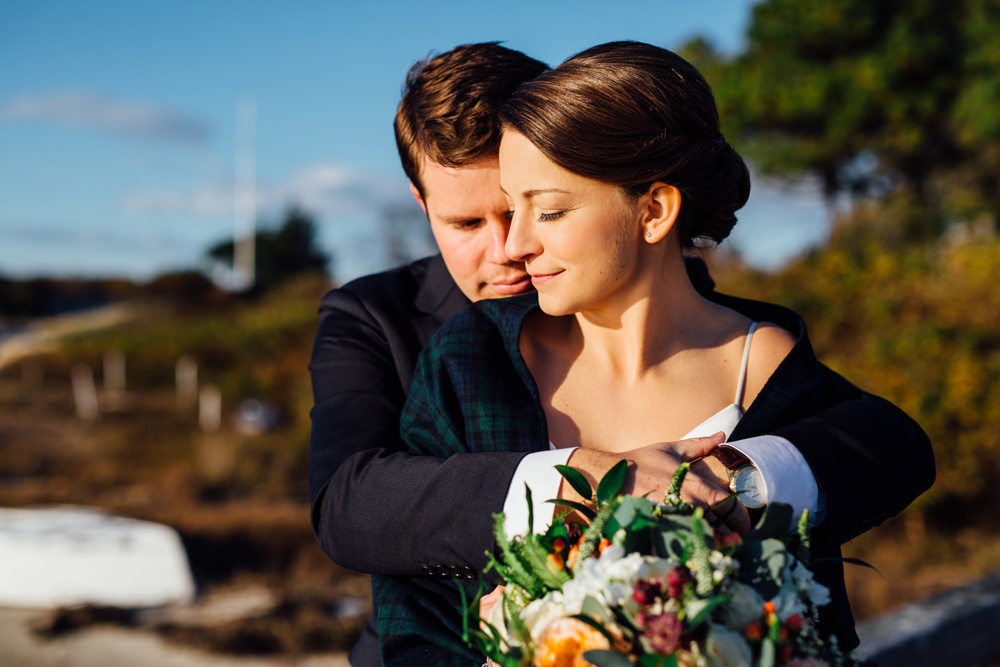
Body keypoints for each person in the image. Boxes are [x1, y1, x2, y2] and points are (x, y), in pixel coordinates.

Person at [308, 43, 934, 666]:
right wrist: (586, 483)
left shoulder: (746, 346)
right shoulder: (416, 335)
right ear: (423, 206)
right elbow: (351, 504)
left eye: (535, 206)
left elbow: (880, 443)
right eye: (468, 224)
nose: (511, 247)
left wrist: (729, 481)